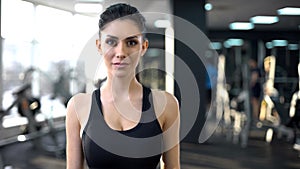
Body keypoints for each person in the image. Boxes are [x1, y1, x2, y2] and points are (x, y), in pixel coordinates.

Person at [65, 3, 180, 169]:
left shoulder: (166, 104)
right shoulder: (78, 106)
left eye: (131, 42)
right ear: (99, 46)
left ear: (143, 47)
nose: (121, 52)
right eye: (111, 42)